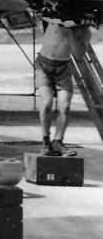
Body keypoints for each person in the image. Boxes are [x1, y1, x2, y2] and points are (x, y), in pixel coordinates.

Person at [35, 15, 90, 156]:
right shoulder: (55, 21)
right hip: (44, 65)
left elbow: (78, 54)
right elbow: (43, 13)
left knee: (64, 107)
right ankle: (45, 141)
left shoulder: (84, 31)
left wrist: (71, 31)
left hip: (63, 68)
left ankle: (58, 141)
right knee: (46, 102)